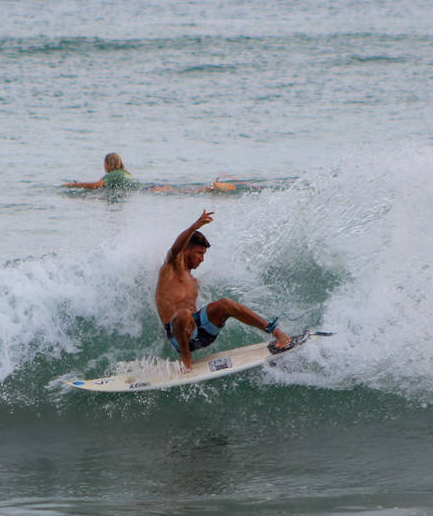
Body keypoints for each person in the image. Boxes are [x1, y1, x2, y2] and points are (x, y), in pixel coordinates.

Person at [155, 210, 290, 370]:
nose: (202, 259)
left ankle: (274, 331)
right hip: (178, 336)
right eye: (199, 253)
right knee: (183, 314)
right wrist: (194, 227)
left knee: (225, 304)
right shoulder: (170, 267)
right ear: (185, 251)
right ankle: (186, 356)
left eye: (203, 254)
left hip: (201, 333)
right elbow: (175, 249)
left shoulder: (193, 280)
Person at [63, 152, 140, 191]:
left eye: (104, 164)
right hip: (143, 188)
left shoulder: (113, 174)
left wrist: (75, 185)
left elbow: (96, 185)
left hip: (142, 190)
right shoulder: (125, 173)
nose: (104, 166)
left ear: (109, 164)